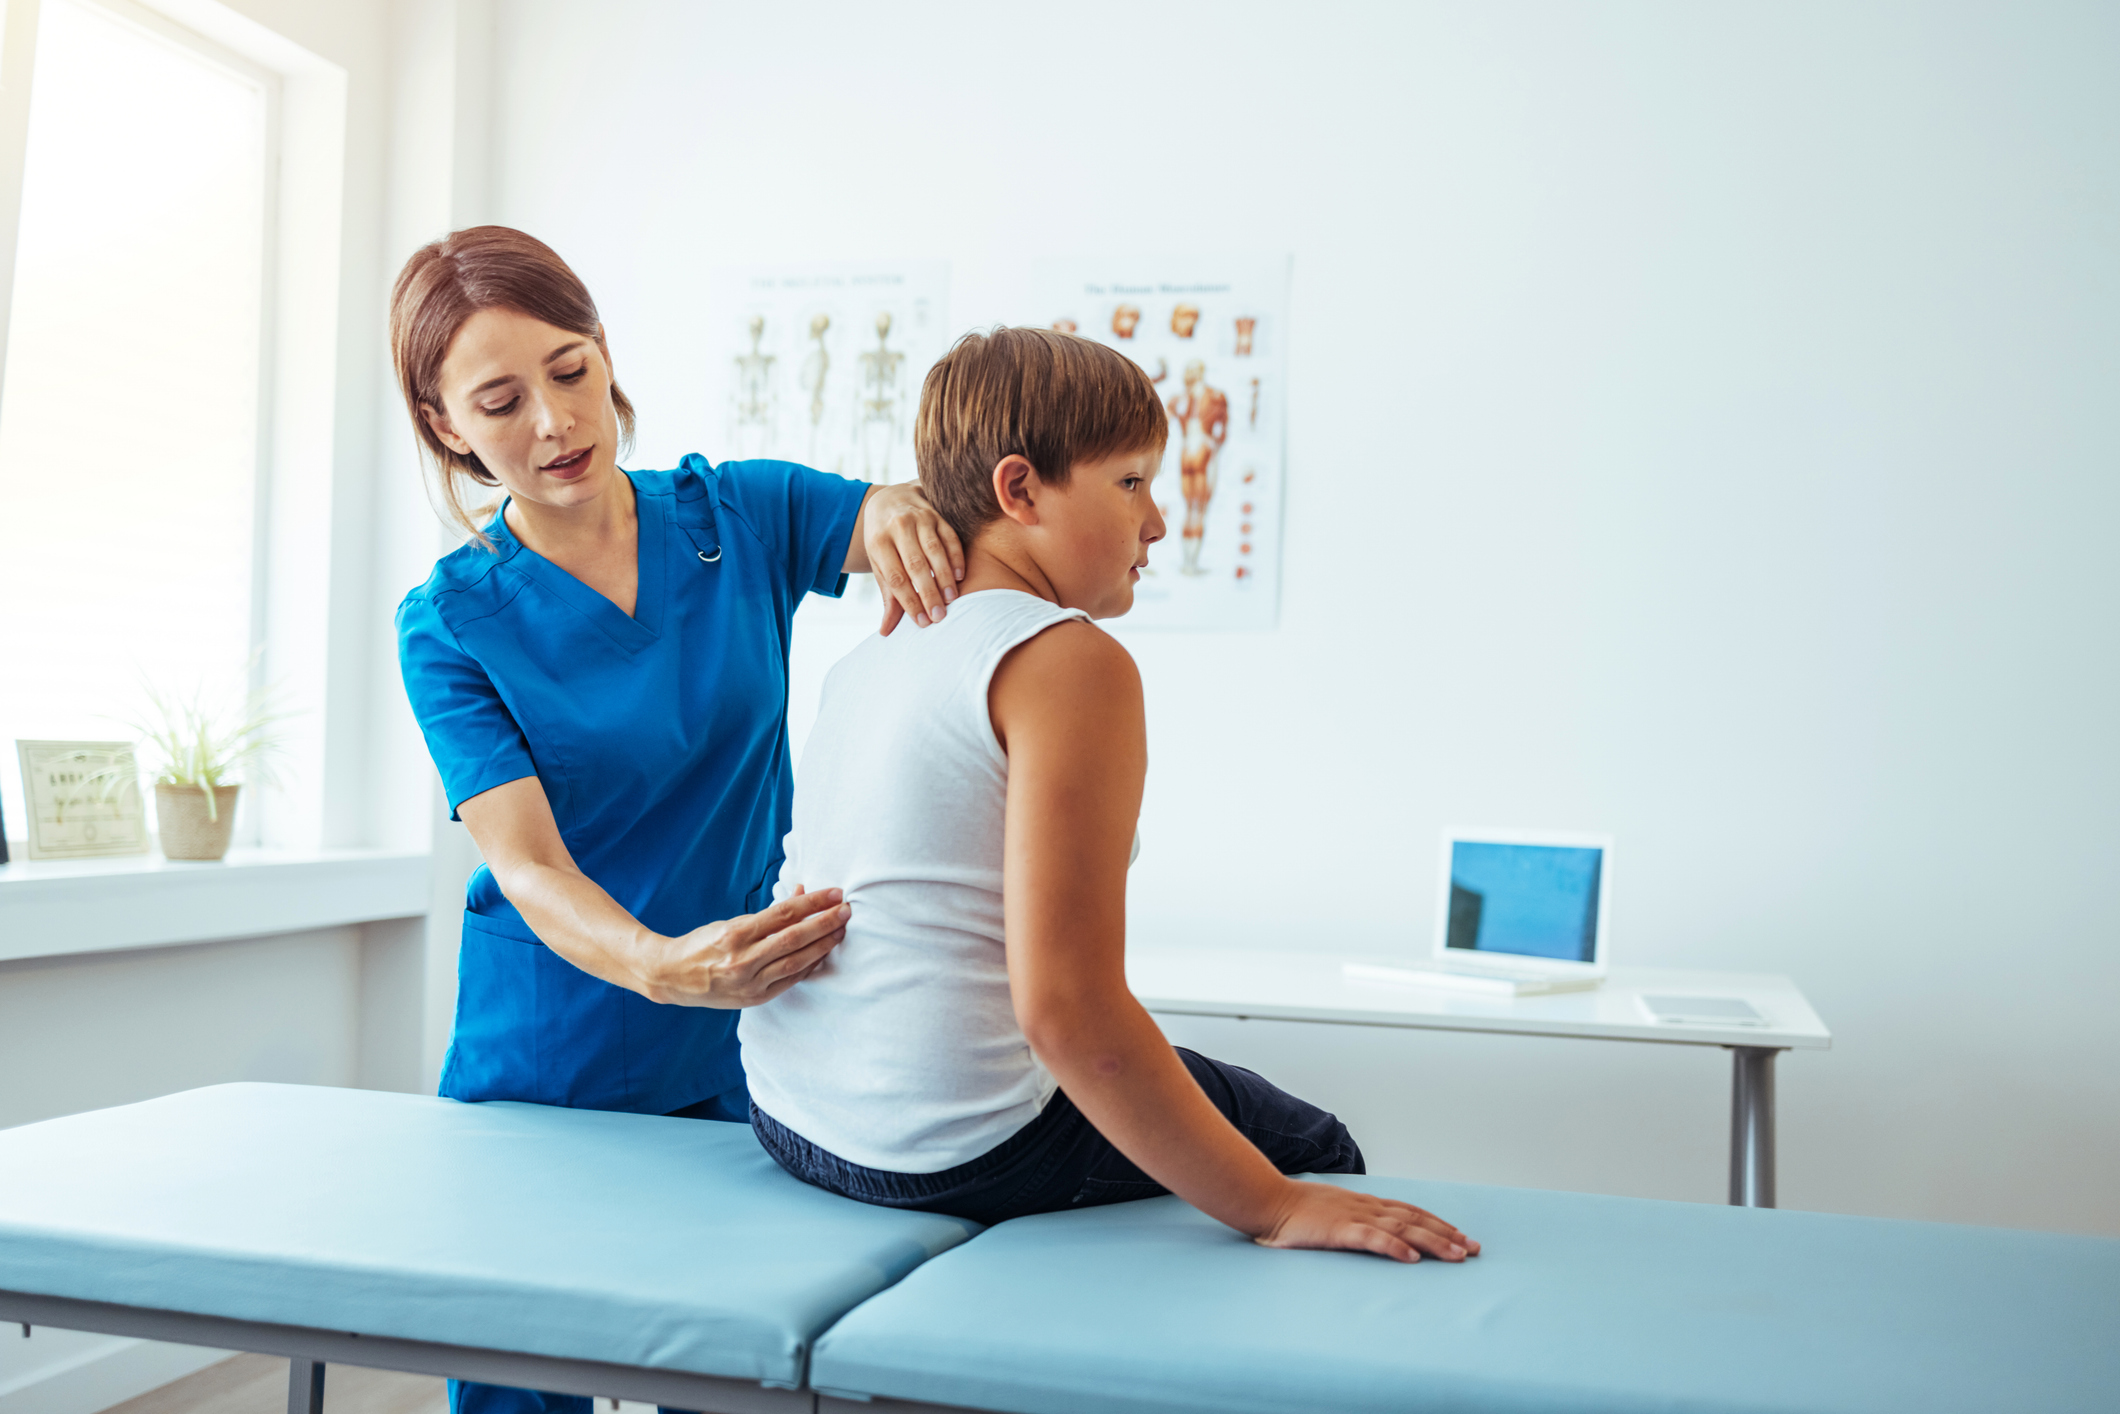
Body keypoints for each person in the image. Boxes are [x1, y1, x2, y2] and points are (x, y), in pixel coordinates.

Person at [740, 328, 1479, 1263]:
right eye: (1131, 483)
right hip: (949, 1148)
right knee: (1311, 1149)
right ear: (1020, 490)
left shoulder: (867, 655)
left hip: (792, 1115)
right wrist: (1280, 1206)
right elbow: (1066, 1010)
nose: (1159, 522)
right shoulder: (1067, 661)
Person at [390, 226, 965, 1414]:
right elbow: (527, 863)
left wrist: (912, 512)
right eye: (499, 401)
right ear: (447, 425)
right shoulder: (447, 623)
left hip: (745, 1041)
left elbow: (886, 520)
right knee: (522, 1379)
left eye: (568, 369)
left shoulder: (736, 518)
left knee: (723, 1372)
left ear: (602, 353)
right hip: (550, 1056)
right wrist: (656, 963)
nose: (553, 422)